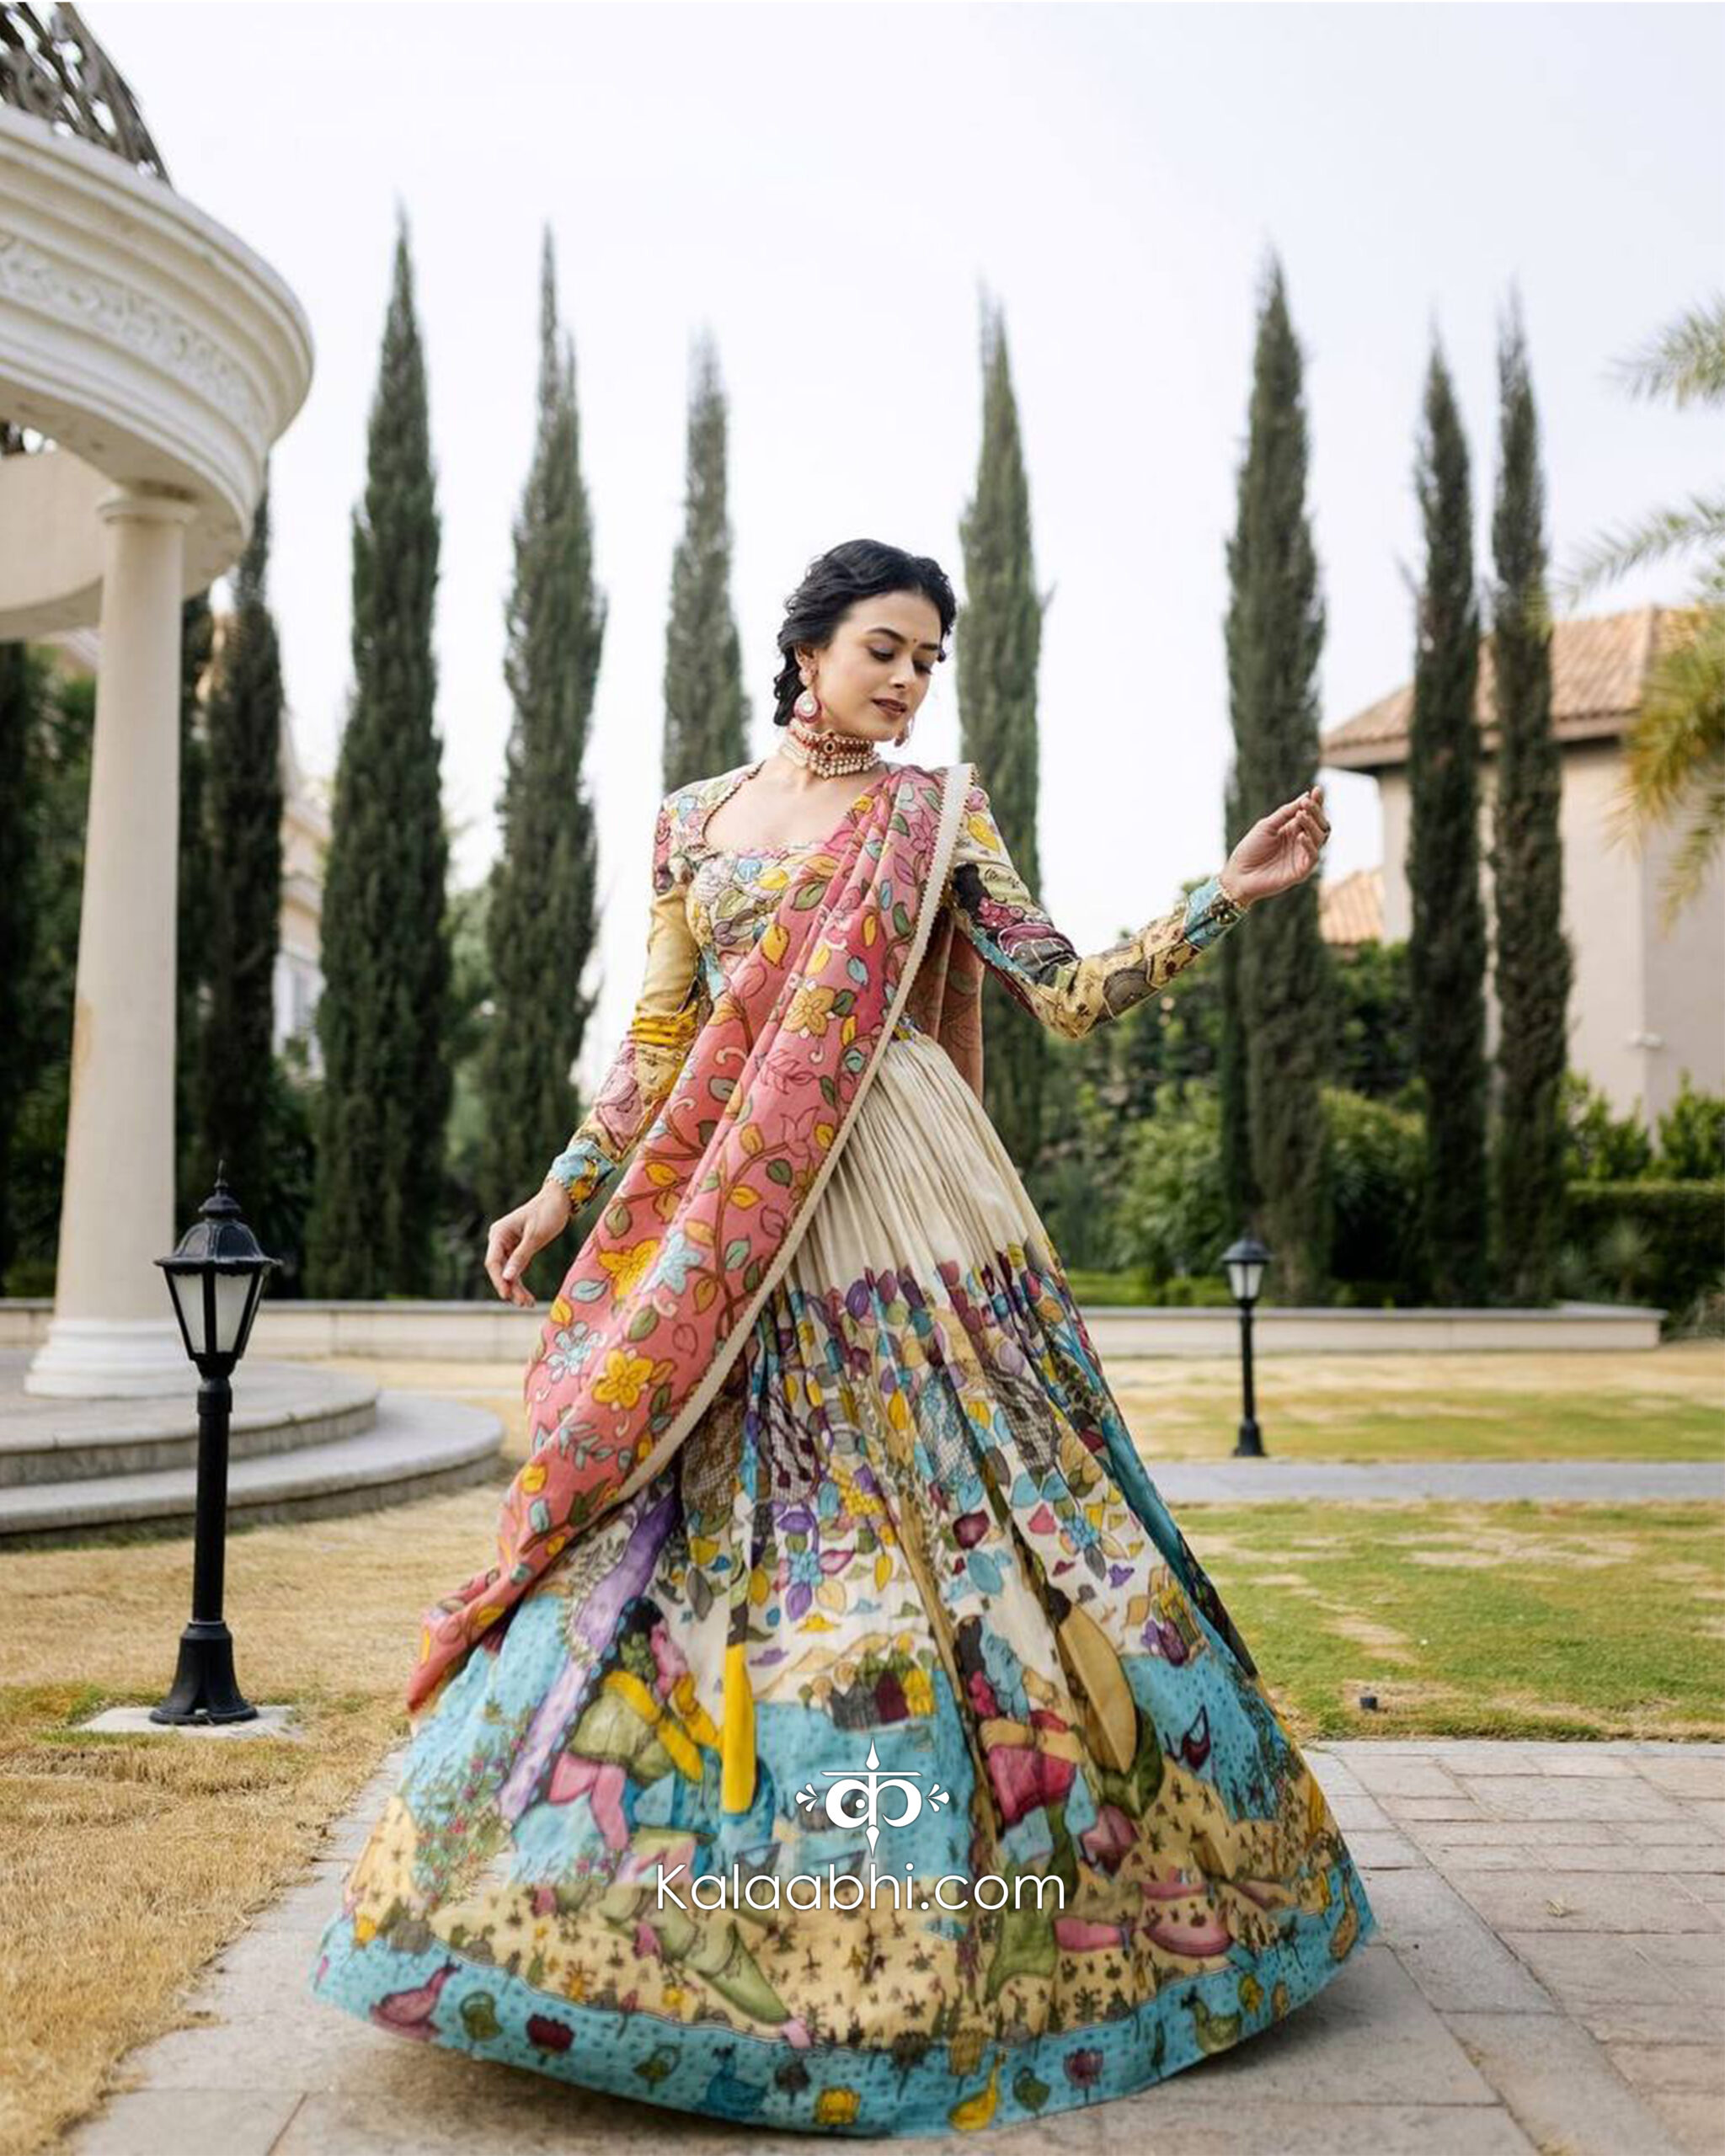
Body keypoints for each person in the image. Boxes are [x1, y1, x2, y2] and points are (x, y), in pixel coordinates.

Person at [309, 537, 1375, 2133]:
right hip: (741, 1218)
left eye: (929, 660)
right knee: (704, 1526)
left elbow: (1064, 991)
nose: (909, 681)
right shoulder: (692, 823)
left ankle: (1034, 1900)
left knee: (981, 1517)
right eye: (886, 647)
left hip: (911, 1202)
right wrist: (560, 1195)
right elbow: (658, 1045)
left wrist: (1223, 896)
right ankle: (620, 1910)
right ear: (806, 647)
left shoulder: (937, 814)